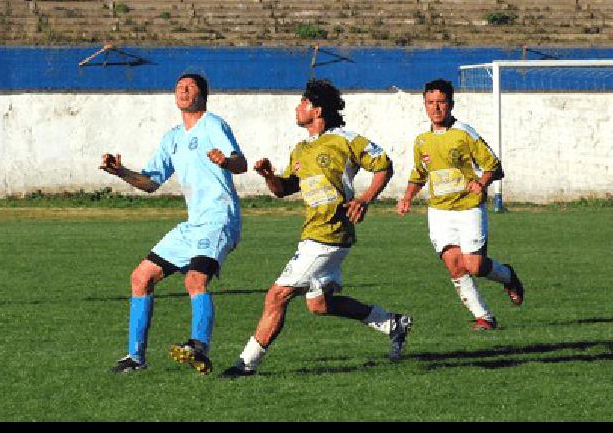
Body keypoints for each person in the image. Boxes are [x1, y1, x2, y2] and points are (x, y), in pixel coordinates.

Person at [221, 79, 412, 378]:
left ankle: (245, 364)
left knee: (277, 295)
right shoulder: (300, 149)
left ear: (317, 109)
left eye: (302, 103)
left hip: (329, 233)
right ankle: (392, 324)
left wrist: (364, 199)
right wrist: (269, 176)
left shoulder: (345, 140)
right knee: (320, 305)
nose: (297, 108)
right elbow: (283, 189)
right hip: (314, 234)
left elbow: (384, 165)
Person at [101, 73, 247, 375]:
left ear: (202, 95)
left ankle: (199, 347)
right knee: (141, 277)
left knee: (194, 279)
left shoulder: (213, 124)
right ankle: (135, 358)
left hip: (219, 219)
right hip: (193, 224)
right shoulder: (172, 138)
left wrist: (226, 161)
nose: (183, 89)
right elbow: (151, 182)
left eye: (190, 86)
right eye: (179, 86)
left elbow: (240, 162)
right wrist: (121, 172)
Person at [396, 78, 524, 331]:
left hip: (468, 208)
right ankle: (484, 318)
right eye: (430, 103)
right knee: (454, 265)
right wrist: (407, 197)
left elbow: (493, 165)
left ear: (451, 104)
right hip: (439, 212)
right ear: (424, 105)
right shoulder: (422, 140)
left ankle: (507, 276)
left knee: (474, 266)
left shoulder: (465, 132)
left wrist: (482, 182)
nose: (436, 108)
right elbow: (419, 173)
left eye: (441, 102)